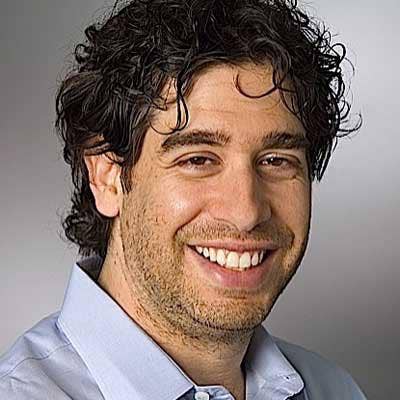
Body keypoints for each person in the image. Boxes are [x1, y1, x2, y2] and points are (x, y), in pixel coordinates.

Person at [0, 0, 367, 399]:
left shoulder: (334, 389)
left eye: (276, 160)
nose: (246, 212)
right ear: (107, 177)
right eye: (198, 159)